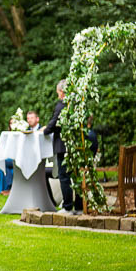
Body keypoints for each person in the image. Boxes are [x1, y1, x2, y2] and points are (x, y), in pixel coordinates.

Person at [45, 79, 76, 211]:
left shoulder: (61, 105)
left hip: (63, 146)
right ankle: (77, 205)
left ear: (62, 92)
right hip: (73, 145)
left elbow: (52, 125)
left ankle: (67, 206)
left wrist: (45, 130)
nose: (58, 95)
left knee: (64, 176)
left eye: (58, 92)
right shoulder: (73, 105)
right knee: (72, 175)